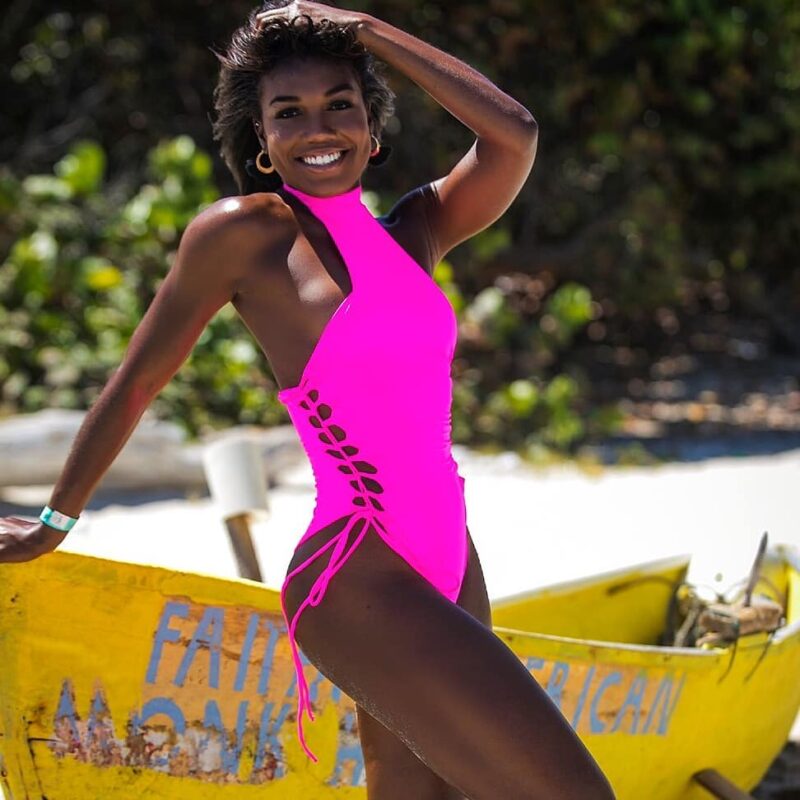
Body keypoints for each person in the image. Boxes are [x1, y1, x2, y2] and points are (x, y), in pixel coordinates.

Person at [0, 2, 615, 798]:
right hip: (357, 573)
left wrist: (364, 29)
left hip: (451, 558)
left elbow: (514, 136)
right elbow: (138, 381)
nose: (317, 127)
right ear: (261, 140)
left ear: (372, 126)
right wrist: (56, 519)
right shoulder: (244, 233)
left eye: (340, 104)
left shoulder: (415, 231)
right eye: (288, 112)